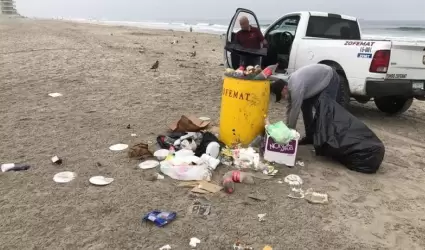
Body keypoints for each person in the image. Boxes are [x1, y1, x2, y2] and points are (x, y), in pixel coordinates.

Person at [277, 64, 340, 145]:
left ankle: (328, 142)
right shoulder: (289, 86)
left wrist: (290, 133)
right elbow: (290, 108)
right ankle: (310, 137)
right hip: (317, 81)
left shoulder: (295, 87)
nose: (283, 98)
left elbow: (295, 110)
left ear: (284, 88)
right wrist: (287, 128)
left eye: (281, 95)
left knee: (326, 110)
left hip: (330, 77)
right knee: (305, 106)